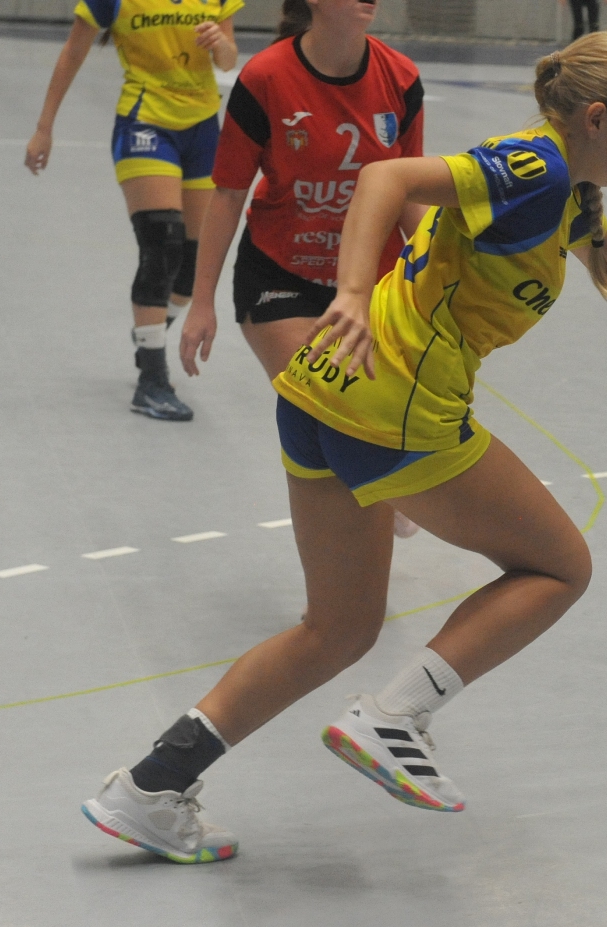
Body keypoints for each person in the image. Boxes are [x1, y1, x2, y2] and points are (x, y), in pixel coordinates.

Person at [80, 30, 607, 864]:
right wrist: (350, 290)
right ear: (597, 117)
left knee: (337, 628)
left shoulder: (566, 188)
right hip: (397, 406)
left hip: (320, 392)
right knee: (560, 566)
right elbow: (384, 178)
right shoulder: (535, 168)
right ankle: (394, 717)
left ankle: (150, 787)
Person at [179, 0, 427, 538]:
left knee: (363, 424)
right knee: (334, 404)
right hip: (279, 275)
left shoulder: (401, 78)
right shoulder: (266, 77)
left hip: (371, 283)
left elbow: (409, 191)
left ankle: (371, 527)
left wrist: (439, 275)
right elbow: (228, 194)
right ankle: (349, 569)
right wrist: (202, 301)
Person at [26, 0, 241, 421]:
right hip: (146, 123)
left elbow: (229, 60)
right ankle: (152, 380)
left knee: (192, 265)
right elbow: (72, 52)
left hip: (202, 130)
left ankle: (149, 332)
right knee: (162, 243)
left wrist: (220, 43)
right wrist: (43, 127)